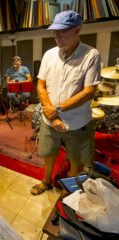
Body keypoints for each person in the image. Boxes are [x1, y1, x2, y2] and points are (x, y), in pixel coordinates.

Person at [31, 11, 101, 195]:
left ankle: (70, 193)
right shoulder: (49, 55)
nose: (57, 37)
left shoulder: (91, 55)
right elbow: (41, 85)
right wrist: (51, 114)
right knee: (49, 153)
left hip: (77, 122)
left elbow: (89, 92)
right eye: (54, 32)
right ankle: (46, 180)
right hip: (49, 119)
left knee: (76, 161)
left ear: (77, 30)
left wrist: (58, 109)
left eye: (62, 32)